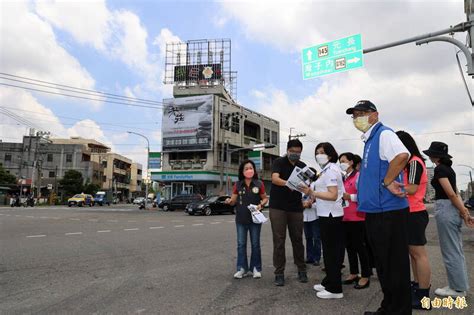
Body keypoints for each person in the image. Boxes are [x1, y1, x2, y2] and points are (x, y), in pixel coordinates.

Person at [345, 100, 411, 315]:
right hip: (375, 212)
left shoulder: (384, 134)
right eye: (354, 115)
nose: (358, 118)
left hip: (389, 212)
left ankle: (399, 310)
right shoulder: (369, 140)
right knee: (383, 265)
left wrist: (387, 181)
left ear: (375, 114)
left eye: (362, 113)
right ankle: (388, 307)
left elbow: (402, 156)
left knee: (394, 266)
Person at [422, 141, 474, 297]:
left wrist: (463, 212)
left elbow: (451, 194)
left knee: (450, 250)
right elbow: (455, 192)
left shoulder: (439, 169)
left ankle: (457, 289)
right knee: (455, 249)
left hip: (445, 208)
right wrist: (464, 212)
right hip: (451, 208)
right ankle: (459, 285)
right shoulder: (449, 169)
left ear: (434, 155)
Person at [301, 142, 345, 299]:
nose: (318, 155)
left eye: (322, 152)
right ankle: (329, 281)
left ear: (330, 154)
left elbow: (333, 195)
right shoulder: (325, 170)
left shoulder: (332, 170)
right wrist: (311, 196)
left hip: (332, 215)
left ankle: (335, 289)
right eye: (317, 152)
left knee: (331, 252)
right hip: (325, 213)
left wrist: (311, 192)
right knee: (328, 251)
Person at [396, 131, 432, 309]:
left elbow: (411, 188)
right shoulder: (410, 163)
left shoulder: (414, 162)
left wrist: (389, 185)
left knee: (419, 255)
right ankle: (417, 286)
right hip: (410, 212)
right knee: (414, 254)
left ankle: (424, 296)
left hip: (414, 212)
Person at [269, 139, 308, 286]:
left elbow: (307, 184)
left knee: (297, 239)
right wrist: (289, 184)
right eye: (293, 152)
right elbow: (274, 179)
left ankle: (302, 270)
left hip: (296, 208)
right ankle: (279, 273)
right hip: (278, 207)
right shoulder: (279, 162)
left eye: (298, 152)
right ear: (287, 150)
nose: (295, 154)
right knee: (279, 241)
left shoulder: (303, 166)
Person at [225, 159, 268, 279]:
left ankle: (256, 268)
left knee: (255, 244)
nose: (249, 170)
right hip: (241, 219)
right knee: (241, 244)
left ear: (254, 170)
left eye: (251, 168)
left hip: (255, 220)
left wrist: (261, 205)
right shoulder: (238, 184)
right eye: (246, 169)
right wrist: (229, 201)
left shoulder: (259, 183)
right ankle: (241, 268)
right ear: (242, 171)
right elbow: (233, 200)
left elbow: (265, 198)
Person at [339, 152, 371, 290]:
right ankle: (353, 272)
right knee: (350, 247)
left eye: (344, 161)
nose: (341, 163)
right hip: (345, 217)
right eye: (340, 161)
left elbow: (365, 195)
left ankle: (365, 275)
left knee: (360, 247)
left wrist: (349, 196)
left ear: (351, 162)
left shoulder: (358, 176)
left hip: (357, 217)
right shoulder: (342, 178)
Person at [302, 167, 322, 267]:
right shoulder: (302, 185)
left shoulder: (316, 185)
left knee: (317, 238)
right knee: (308, 238)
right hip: (304, 216)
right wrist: (302, 205)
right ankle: (309, 257)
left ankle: (317, 258)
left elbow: (320, 199)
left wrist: (311, 205)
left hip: (315, 215)